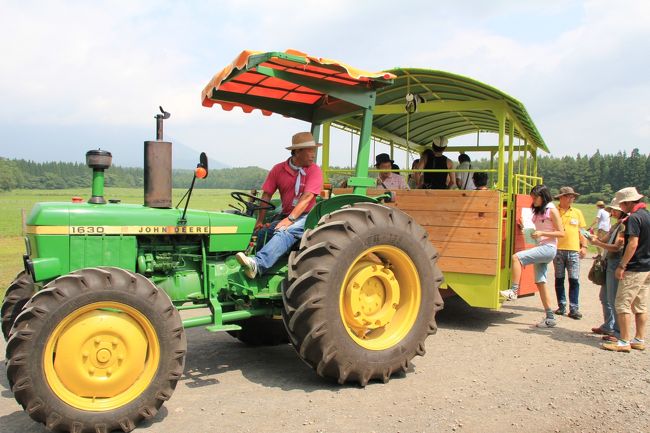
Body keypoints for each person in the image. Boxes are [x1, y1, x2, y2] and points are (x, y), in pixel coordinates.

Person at [236, 132, 323, 278]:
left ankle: (258, 264)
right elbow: (266, 195)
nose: (313, 154)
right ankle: (253, 268)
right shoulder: (278, 169)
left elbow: (308, 197)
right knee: (263, 233)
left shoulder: (314, 170)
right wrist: (260, 221)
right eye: (309, 150)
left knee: (284, 231)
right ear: (296, 151)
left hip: (308, 216)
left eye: (313, 150)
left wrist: (290, 220)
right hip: (288, 214)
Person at [499, 184, 565, 327]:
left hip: (548, 248)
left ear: (543, 197)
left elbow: (561, 233)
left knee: (516, 257)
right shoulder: (539, 211)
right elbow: (538, 231)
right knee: (540, 282)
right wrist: (526, 229)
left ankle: (513, 291)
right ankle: (550, 318)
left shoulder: (552, 210)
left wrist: (542, 233)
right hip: (542, 246)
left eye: (535, 197)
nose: (533, 200)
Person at [602, 187, 649, 352]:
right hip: (646, 267)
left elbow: (633, 243)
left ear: (629, 202)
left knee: (622, 303)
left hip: (634, 267)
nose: (621, 207)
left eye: (622, 204)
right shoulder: (647, 215)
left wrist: (622, 265)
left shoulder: (633, 219)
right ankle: (639, 339)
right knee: (640, 305)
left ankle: (623, 341)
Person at [588, 199, 626, 338]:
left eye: (615, 210)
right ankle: (608, 326)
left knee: (612, 298)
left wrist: (598, 243)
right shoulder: (617, 225)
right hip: (609, 262)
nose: (612, 212)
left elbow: (617, 247)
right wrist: (593, 239)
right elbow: (605, 239)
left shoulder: (623, 226)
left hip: (615, 262)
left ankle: (617, 331)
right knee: (604, 297)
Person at [553, 186, 588, 319]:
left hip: (573, 250)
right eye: (568, 196)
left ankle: (574, 308)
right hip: (557, 250)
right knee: (559, 278)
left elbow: (582, 231)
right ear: (561, 197)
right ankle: (561, 306)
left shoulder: (577, 212)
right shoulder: (553, 211)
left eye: (572, 196)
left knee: (574, 279)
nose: (571, 199)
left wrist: (584, 246)